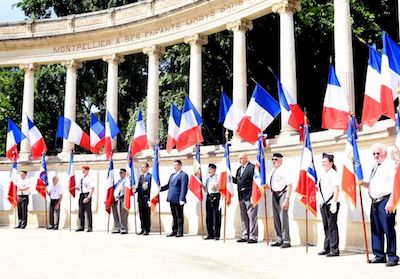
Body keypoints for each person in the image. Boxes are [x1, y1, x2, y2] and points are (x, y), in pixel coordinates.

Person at [362, 143, 399, 267]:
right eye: (374, 153)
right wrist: (363, 184)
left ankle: (392, 256)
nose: (376, 155)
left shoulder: (390, 165)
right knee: (376, 230)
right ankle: (379, 255)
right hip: (375, 202)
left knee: (388, 229)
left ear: (385, 153)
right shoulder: (376, 167)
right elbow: (376, 184)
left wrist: (391, 201)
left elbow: (395, 184)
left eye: (378, 153)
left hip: (386, 200)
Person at [267, 153, 292, 248]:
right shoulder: (273, 170)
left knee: (283, 217)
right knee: (276, 218)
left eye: (276, 159)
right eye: (273, 159)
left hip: (282, 194)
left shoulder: (285, 170)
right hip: (274, 194)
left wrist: (287, 199)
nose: (274, 161)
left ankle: (286, 240)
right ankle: (279, 238)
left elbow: (290, 185)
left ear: (281, 160)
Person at [317, 153, 340, 256]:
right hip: (323, 203)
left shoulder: (333, 174)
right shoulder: (323, 174)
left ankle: (334, 249)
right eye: (322, 162)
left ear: (331, 163)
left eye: (325, 162)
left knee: (332, 226)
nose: (323, 164)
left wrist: (334, 202)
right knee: (326, 226)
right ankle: (327, 247)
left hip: (331, 203)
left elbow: (336, 188)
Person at [232, 153, 257, 244]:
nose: (239, 160)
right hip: (241, 196)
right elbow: (238, 181)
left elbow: (255, 182)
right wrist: (230, 178)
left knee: (252, 216)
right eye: (239, 159)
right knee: (243, 217)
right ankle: (245, 235)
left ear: (246, 158)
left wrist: (252, 195)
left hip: (249, 195)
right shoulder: (239, 169)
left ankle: (253, 236)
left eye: (241, 158)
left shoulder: (252, 167)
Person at [161, 160, 188, 237]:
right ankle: (174, 230)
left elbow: (184, 187)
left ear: (180, 166)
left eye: (176, 165)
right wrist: (160, 188)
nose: (174, 167)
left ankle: (180, 231)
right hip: (171, 198)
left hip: (178, 199)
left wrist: (182, 198)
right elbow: (168, 185)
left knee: (179, 216)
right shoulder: (172, 175)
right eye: (174, 165)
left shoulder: (183, 175)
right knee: (174, 215)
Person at [204, 163, 221, 240]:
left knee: (216, 216)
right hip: (209, 196)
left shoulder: (217, 178)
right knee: (209, 216)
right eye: (208, 169)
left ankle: (216, 234)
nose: (209, 171)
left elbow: (218, 187)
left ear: (214, 170)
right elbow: (206, 189)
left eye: (210, 169)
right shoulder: (207, 179)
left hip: (216, 196)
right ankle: (210, 234)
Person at [75, 165, 95, 232]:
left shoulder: (90, 178)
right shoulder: (81, 178)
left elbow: (92, 189)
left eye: (84, 170)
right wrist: (73, 187)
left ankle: (89, 227)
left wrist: (88, 197)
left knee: (88, 211)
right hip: (81, 194)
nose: (83, 171)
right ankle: (81, 226)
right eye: (82, 170)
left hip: (87, 194)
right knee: (81, 211)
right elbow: (79, 188)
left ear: (87, 170)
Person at [112, 168, 129, 234]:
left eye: (121, 172)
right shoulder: (119, 181)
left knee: (123, 214)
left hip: (122, 198)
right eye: (119, 173)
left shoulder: (126, 181)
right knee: (115, 214)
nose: (120, 174)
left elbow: (126, 191)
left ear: (125, 173)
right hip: (116, 199)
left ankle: (123, 228)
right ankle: (117, 227)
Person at [137, 162, 152, 235]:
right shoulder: (141, 177)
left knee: (147, 214)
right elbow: (139, 187)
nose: (141, 168)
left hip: (147, 198)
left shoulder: (150, 177)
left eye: (143, 167)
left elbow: (151, 188)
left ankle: (147, 229)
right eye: (141, 167)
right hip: (141, 199)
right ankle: (142, 228)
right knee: (141, 214)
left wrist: (150, 199)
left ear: (147, 168)